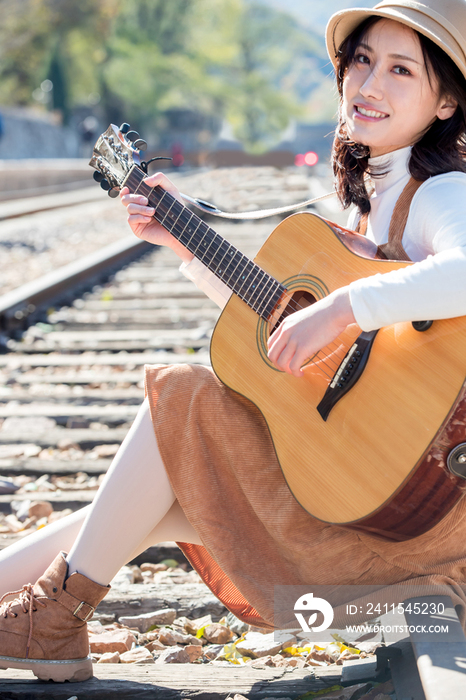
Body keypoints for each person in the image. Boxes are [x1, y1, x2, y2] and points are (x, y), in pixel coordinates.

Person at [1, 0, 466, 683]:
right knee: (141, 510)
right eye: (362, 61)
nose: (370, 84)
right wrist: (183, 244)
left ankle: (54, 620)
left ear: (448, 103)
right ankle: (47, 617)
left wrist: (342, 309)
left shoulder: (440, 193)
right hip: (379, 502)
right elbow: (282, 329)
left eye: (401, 70)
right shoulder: (368, 202)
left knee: (186, 399)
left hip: (424, 530)